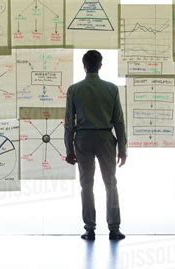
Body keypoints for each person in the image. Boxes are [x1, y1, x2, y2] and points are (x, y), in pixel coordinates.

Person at [64, 50, 127, 241]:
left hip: (83, 139)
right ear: (100, 65)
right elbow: (119, 122)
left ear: (84, 66)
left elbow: (69, 123)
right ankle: (114, 229)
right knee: (110, 184)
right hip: (105, 139)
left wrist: (69, 149)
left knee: (86, 184)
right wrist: (123, 149)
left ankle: (89, 229)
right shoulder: (111, 88)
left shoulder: (74, 90)